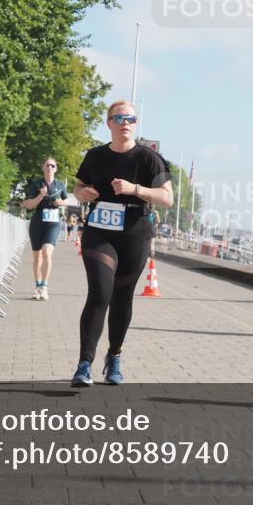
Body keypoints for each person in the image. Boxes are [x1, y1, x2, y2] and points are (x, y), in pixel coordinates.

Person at [71, 101, 173, 386]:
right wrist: (83, 194)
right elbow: (78, 188)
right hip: (99, 231)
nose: (125, 122)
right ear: (109, 123)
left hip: (134, 233)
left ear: (135, 123)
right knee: (100, 292)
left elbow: (167, 198)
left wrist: (135, 189)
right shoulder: (95, 156)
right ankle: (84, 364)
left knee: (122, 298)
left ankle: (114, 356)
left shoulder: (149, 158)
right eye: (119, 118)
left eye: (130, 118)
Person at [22, 157, 67, 300]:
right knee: (37, 257)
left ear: (56, 168)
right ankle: (37, 286)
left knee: (47, 253)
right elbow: (29, 205)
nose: (50, 168)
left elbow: (66, 200)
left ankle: (45, 286)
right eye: (47, 165)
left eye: (52, 166)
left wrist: (61, 202)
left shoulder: (60, 184)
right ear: (43, 168)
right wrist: (40, 195)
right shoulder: (37, 184)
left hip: (53, 223)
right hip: (38, 222)